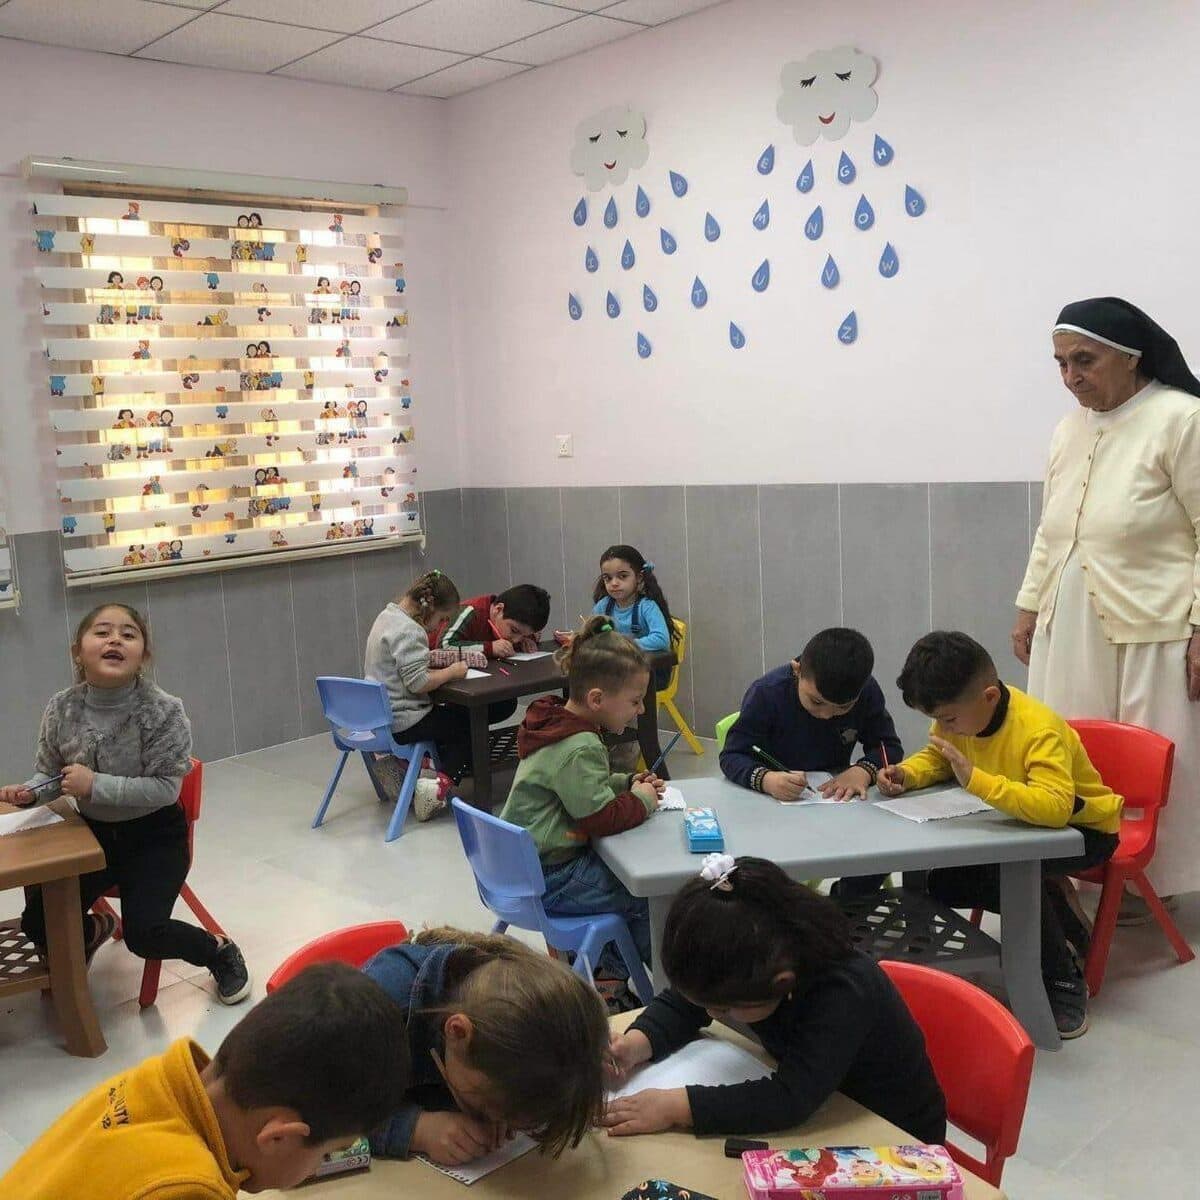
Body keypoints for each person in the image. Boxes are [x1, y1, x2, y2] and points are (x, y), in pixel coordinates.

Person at [1013, 297, 1200, 921]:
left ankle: (1160, 884)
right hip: (1071, 623)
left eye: (1085, 360)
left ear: (1131, 356)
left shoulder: (1182, 418)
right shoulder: (1070, 429)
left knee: (1160, 753)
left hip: (1158, 620)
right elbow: (1052, 528)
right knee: (1074, 745)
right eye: (1062, 363)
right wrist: (1028, 604)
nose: (1072, 376)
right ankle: (1088, 866)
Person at [0, 604, 250, 1004]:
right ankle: (95, 930)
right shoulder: (61, 707)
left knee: (145, 935)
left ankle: (217, 950)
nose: (115, 639)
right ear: (77, 652)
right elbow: (50, 773)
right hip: (93, 835)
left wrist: (93, 784)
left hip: (155, 836)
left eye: (128, 634)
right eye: (101, 632)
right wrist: (31, 791)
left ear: (142, 656)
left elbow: (167, 788)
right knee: (38, 922)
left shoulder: (163, 710)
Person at [878, 631, 1123, 1038]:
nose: (943, 727)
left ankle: (1062, 980)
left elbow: (1055, 807)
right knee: (937, 880)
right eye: (936, 719)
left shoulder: (1038, 728)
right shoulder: (960, 718)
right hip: (1017, 826)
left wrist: (978, 781)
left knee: (1008, 877)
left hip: (1082, 829)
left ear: (989, 696)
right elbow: (940, 758)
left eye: (949, 719)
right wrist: (908, 774)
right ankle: (1050, 902)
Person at [602, 856, 946, 1143]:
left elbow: (790, 1098)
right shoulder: (758, 955)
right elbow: (687, 1000)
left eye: (723, 1008)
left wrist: (676, 1107)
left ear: (783, 983)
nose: (709, 1012)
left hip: (897, 1139)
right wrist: (634, 1045)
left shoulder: (843, 991)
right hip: (831, 1109)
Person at [0, 963, 411, 1198]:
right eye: (325, 1155)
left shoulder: (157, 1082)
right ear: (278, 1137)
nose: (317, 1168)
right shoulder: (189, 1188)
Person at [499, 616, 664, 1008]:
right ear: (596, 699)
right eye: (635, 700)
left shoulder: (556, 722)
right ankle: (665, 989)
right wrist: (642, 800)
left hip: (519, 871)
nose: (640, 711)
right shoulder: (578, 745)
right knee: (646, 897)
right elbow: (600, 819)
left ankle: (604, 970)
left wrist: (625, 784)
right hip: (553, 877)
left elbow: (578, 790)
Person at [363, 926, 608, 1166]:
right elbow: (327, 1108)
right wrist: (417, 1129)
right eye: (482, 1108)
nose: (494, 1124)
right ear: (457, 1033)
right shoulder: (377, 1014)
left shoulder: (514, 997)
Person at [720, 627, 902, 802]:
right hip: (769, 800)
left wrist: (864, 770)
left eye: (843, 707)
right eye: (816, 702)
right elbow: (732, 755)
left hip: (833, 800)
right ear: (797, 670)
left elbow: (888, 746)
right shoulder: (767, 693)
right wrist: (766, 780)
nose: (826, 715)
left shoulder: (867, 691)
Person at [363, 569, 474, 819]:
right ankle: (435, 790)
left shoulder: (386, 616)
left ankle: (403, 768)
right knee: (465, 723)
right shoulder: (411, 631)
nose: (441, 625)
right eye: (443, 618)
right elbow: (418, 683)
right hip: (403, 721)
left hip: (377, 719)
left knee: (447, 721)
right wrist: (452, 672)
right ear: (429, 609)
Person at [435, 584, 551, 660]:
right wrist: (490, 648)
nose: (516, 640)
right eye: (514, 630)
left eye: (523, 635)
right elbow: (443, 646)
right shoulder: (470, 612)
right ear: (498, 609)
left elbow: (525, 633)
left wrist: (528, 640)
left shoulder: (513, 623)